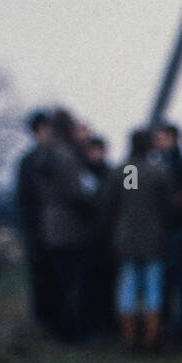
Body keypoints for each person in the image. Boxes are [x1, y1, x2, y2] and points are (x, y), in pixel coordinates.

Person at [37, 108, 95, 342]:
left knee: (62, 284)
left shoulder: (45, 154)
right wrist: (93, 204)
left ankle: (62, 330)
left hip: (51, 227)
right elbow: (76, 193)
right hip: (71, 227)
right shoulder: (65, 156)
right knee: (75, 284)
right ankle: (76, 333)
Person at [111, 128, 170, 350]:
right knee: (153, 289)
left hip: (126, 239)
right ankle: (151, 337)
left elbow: (111, 204)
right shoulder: (158, 172)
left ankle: (129, 337)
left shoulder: (123, 171)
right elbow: (167, 207)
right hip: (153, 240)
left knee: (127, 289)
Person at [153, 123, 182, 339]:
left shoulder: (177, 165)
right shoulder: (162, 163)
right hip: (169, 229)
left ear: (170, 138)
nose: (157, 140)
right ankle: (172, 322)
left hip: (175, 230)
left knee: (177, 278)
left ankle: (181, 323)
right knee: (171, 278)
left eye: (160, 136)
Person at [16, 111, 55, 328]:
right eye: (42, 129)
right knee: (40, 274)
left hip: (56, 227)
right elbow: (24, 199)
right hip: (37, 227)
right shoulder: (28, 161)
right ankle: (42, 319)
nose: (46, 133)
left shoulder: (57, 157)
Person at [84, 135, 116, 336]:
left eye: (100, 151)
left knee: (109, 281)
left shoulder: (111, 174)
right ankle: (94, 322)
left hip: (108, 235)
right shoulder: (82, 173)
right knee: (92, 283)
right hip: (89, 236)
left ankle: (110, 321)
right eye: (93, 151)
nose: (97, 155)